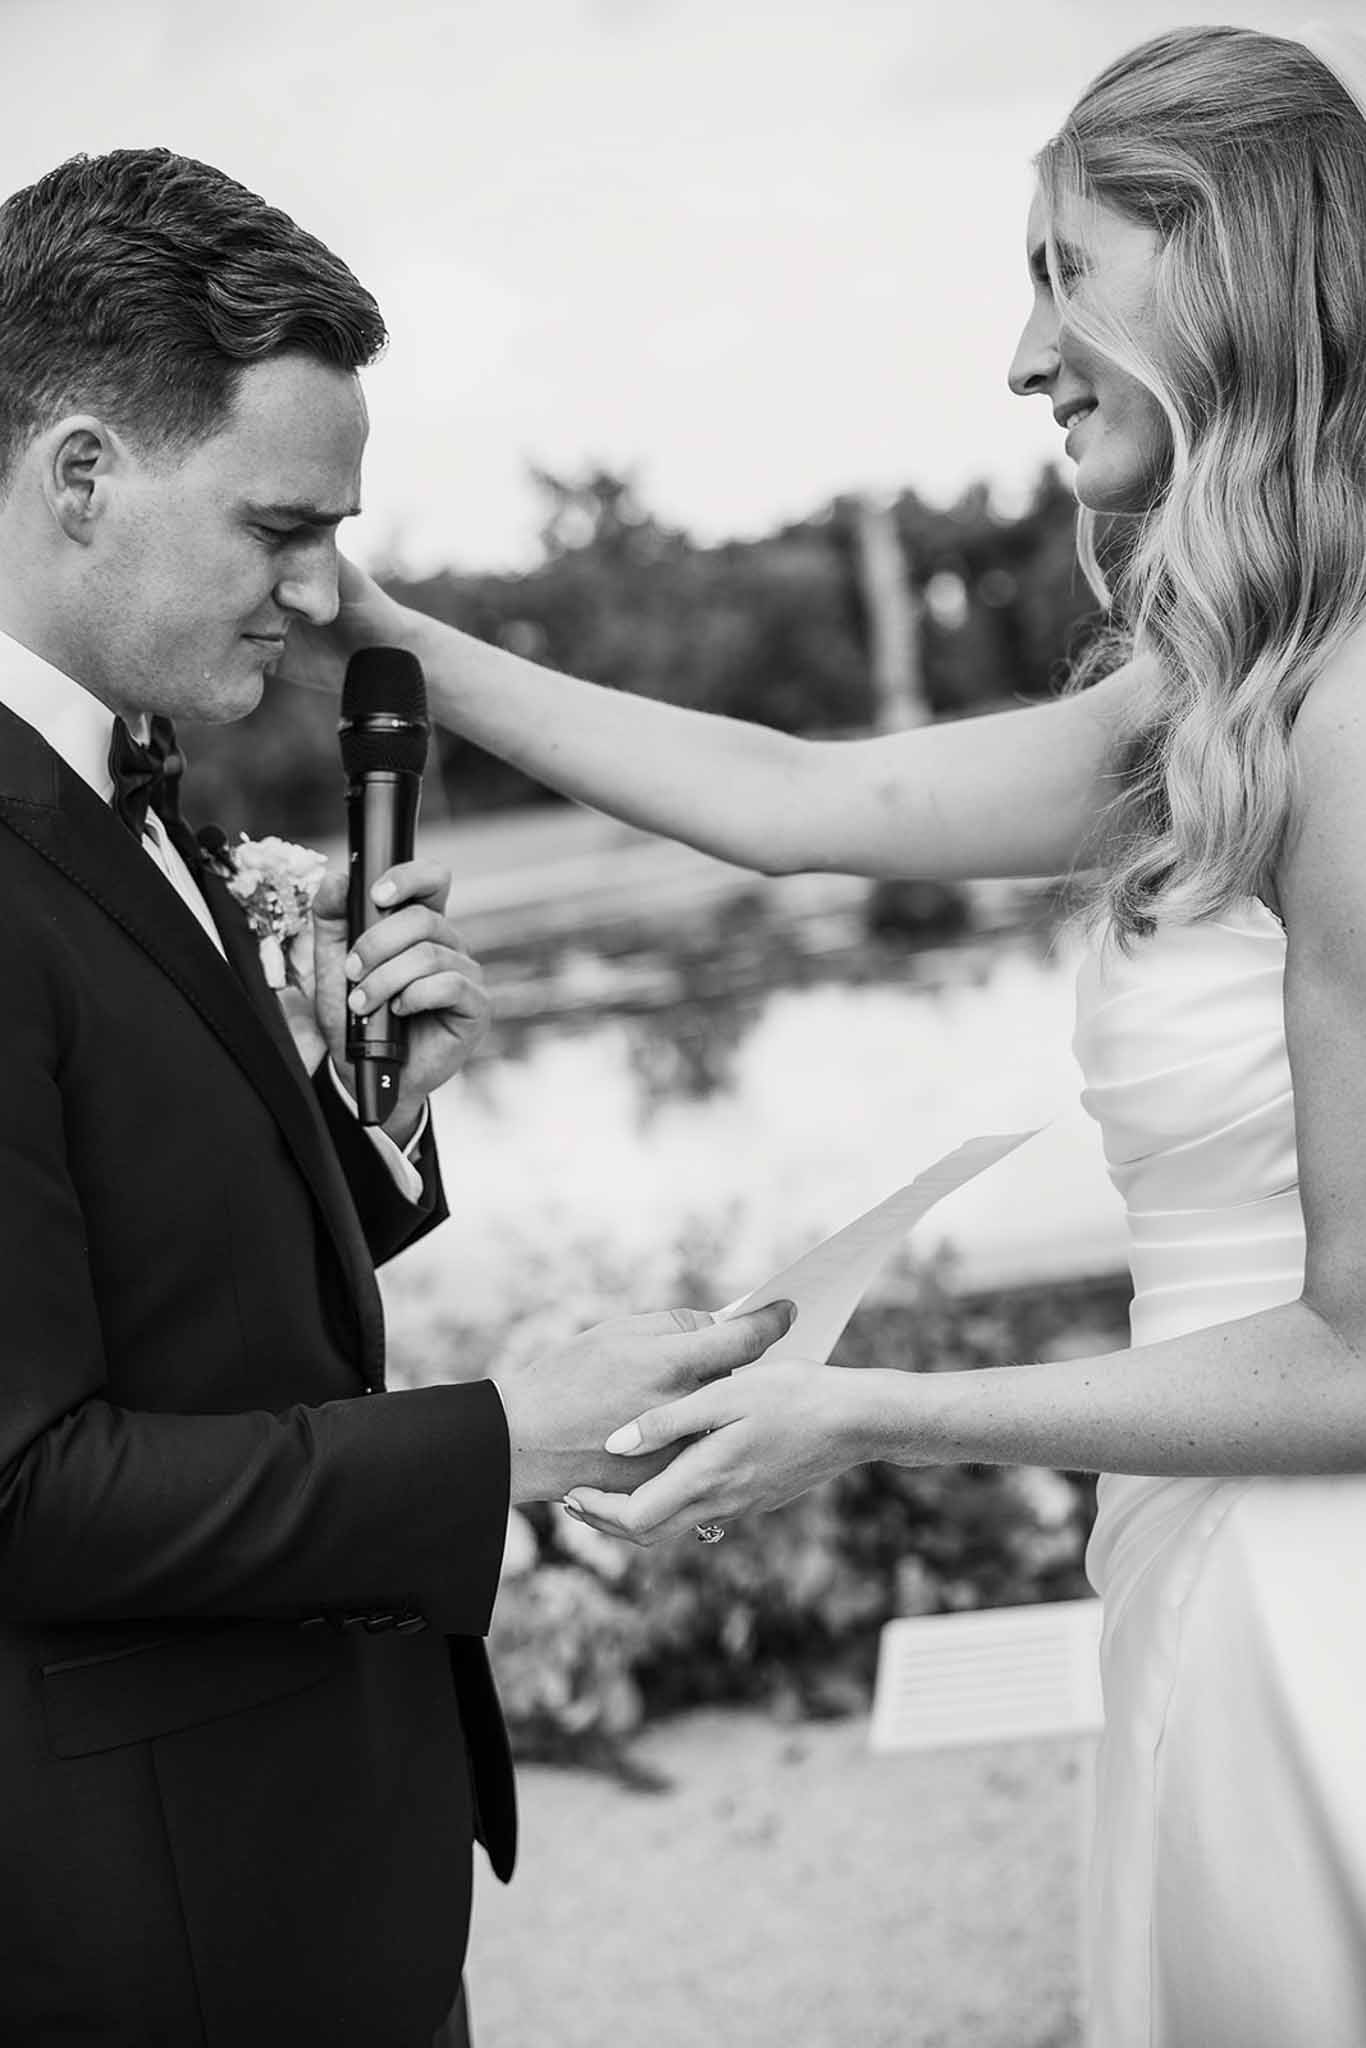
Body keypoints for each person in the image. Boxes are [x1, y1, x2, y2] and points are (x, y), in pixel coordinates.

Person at [283, 21, 1366, 2046]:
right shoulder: (1227, 691)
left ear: (1215, 272)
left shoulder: (1351, 712)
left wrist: (867, 1409)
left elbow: (1360, 1358)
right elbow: (801, 805)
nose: (1023, 354)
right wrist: (378, 627)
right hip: (1201, 1562)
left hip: (1330, 1601)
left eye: (1061, 274)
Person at [0, 148, 793, 2048]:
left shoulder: (131, 781)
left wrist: (366, 1129)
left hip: (302, 1857)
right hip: (145, 1929)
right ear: (82, 472)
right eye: (279, 525)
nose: (322, 591)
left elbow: (152, 1283)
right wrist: (499, 1437)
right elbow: (26, 1490)